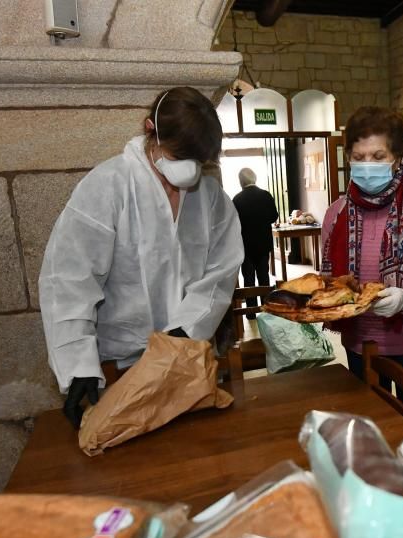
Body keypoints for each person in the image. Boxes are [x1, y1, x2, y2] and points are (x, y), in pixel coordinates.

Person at [39, 86, 244, 428]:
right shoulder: (108, 186)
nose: (190, 171)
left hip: (185, 356)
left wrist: (187, 327)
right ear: (151, 130)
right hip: (119, 366)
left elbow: (222, 269)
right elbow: (69, 280)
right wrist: (78, 367)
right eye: (180, 158)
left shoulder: (209, 197)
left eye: (200, 162)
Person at [321, 106, 403, 407]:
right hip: (360, 343)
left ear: (397, 159)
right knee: (371, 424)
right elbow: (330, 280)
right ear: (348, 157)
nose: (367, 165)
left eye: (378, 157)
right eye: (359, 156)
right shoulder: (336, 214)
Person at [232, 167, 278, 315]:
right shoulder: (265, 195)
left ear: (241, 181)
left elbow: (234, 224)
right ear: (255, 178)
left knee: (249, 278)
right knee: (264, 275)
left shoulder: (237, 199)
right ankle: (266, 310)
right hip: (263, 243)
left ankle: (251, 312)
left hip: (245, 245)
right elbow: (273, 216)